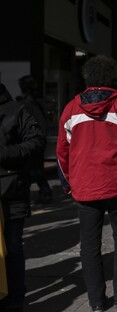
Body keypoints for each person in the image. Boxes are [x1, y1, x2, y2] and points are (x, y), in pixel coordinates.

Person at [56, 55, 117, 311]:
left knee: (89, 245)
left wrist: (67, 184)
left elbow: (61, 152)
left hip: (84, 186)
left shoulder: (71, 108)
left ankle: (97, 302)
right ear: (112, 77)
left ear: (87, 78)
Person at [0, 82, 45, 312]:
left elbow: (36, 141)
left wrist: (6, 154)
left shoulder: (16, 110)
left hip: (11, 190)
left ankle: (15, 296)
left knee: (13, 246)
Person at [17, 75, 53, 203]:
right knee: (33, 170)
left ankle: (44, 192)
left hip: (32, 141)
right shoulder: (35, 102)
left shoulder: (26, 103)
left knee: (32, 170)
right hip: (37, 141)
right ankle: (43, 192)